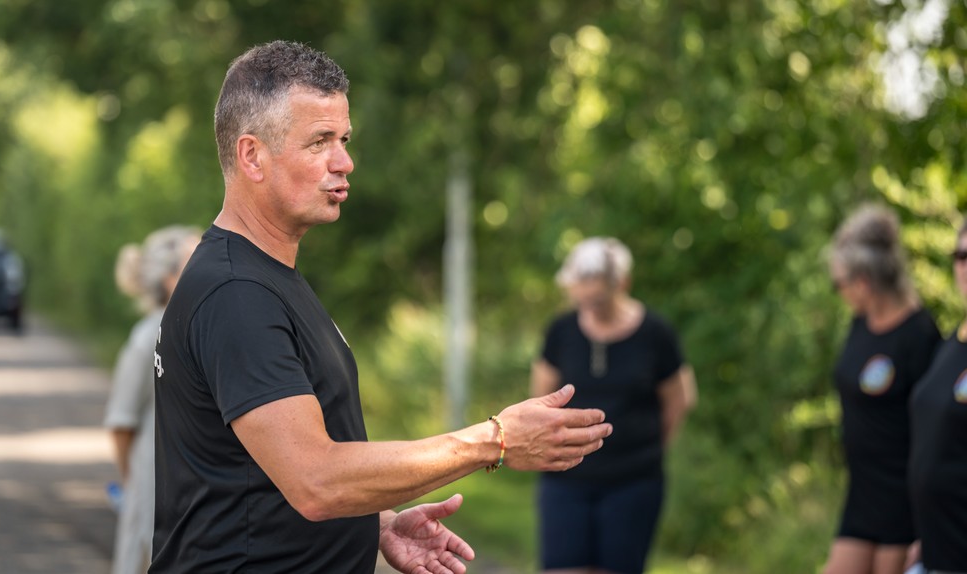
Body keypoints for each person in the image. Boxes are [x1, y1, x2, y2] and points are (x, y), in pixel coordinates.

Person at [149, 40, 614, 574]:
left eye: (344, 139)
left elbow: (253, 473)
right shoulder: (236, 293)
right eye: (319, 141)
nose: (344, 162)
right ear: (252, 155)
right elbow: (315, 479)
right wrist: (495, 440)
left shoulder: (261, 276)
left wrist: (376, 522)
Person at [530, 236, 697, 574]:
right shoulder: (561, 331)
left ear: (622, 283)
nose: (590, 304)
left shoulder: (655, 333)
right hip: (565, 479)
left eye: (598, 297)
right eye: (582, 294)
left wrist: (651, 448)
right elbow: (539, 402)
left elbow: (681, 399)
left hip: (633, 481)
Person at [823, 204, 942, 574]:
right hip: (862, 493)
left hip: (900, 497)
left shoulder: (918, 335)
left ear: (863, 281)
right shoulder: (859, 325)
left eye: (839, 283)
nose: (840, 292)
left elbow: (932, 422)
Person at [103, 225, 200, 574]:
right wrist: (135, 484)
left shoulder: (200, 329)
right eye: (194, 262)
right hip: (154, 487)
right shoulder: (147, 339)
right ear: (169, 279)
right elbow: (121, 424)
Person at [906, 218, 967, 574]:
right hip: (934, 553)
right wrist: (924, 537)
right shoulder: (948, 346)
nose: (966, 266)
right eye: (961, 255)